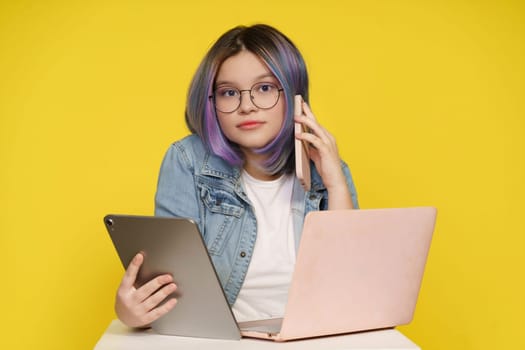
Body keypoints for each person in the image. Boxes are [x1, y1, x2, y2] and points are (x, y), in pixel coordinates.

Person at [114, 24, 359, 328]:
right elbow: (168, 292)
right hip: (220, 339)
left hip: (314, 334)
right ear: (211, 103)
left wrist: (335, 182)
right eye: (229, 93)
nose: (247, 106)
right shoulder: (187, 162)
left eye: (265, 88)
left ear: (296, 98)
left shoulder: (330, 169)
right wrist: (131, 312)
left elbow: (351, 291)